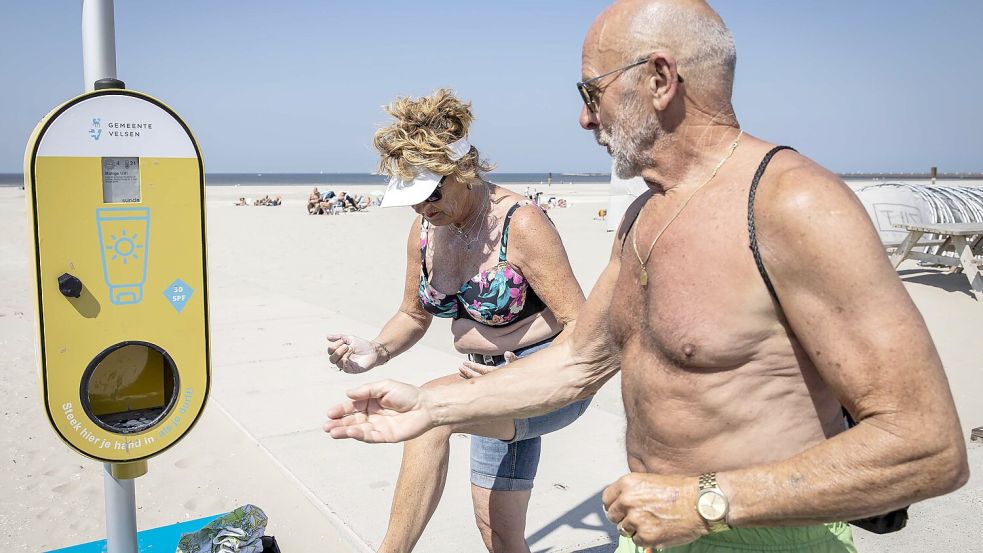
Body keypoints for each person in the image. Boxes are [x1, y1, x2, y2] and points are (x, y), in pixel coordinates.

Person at [324, 2, 969, 552]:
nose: (584, 119)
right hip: (656, 529)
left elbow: (928, 444)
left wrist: (709, 503)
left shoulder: (793, 205)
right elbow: (579, 359)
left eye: (589, 92)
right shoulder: (644, 216)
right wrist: (430, 404)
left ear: (659, 79)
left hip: (764, 535)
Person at [325, 89, 591, 553]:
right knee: (500, 536)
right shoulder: (425, 230)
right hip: (481, 379)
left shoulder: (521, 223)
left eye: (430, 194)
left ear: (462, 171)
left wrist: (518, 378)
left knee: (428, 414)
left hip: (547, 379)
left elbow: (583, 327)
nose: (422, 208)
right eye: (411, 199)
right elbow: (412, 313)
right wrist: (377, 350)